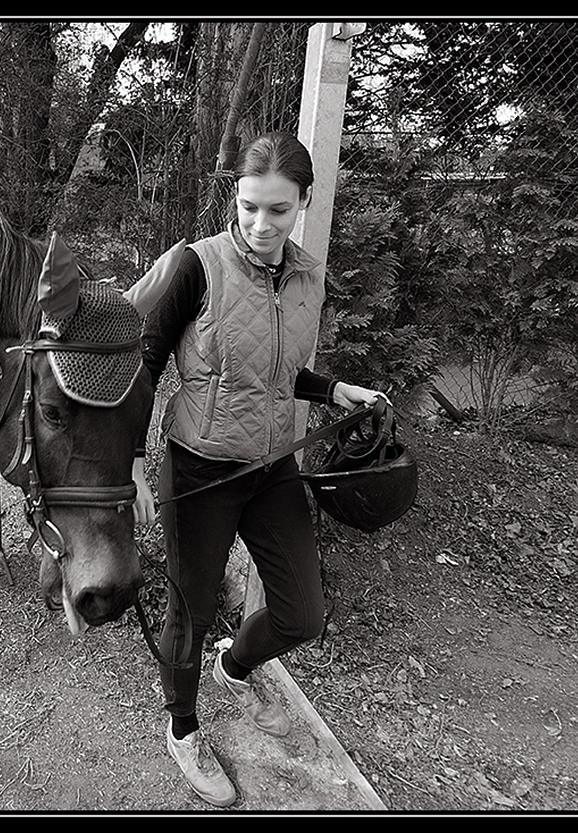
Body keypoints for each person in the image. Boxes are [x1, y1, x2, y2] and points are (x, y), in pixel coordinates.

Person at [128, 132, 387, 807]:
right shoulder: (197, 266)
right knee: (189, 610)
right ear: (235, 200)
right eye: (248, 207)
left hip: (272, 467)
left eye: (278, 209)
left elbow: (278, 372)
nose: (261, 224)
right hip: (200, 471)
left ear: (304, 201)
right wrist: (131, 461)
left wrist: (334, 390)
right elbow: (143, 365)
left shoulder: (308, 277)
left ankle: (234, 663)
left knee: (303, 613)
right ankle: (183, 729)